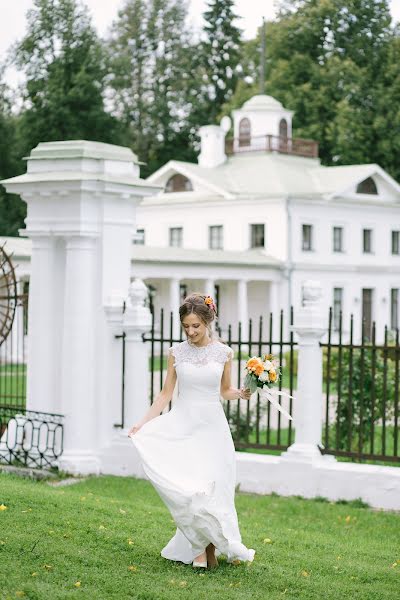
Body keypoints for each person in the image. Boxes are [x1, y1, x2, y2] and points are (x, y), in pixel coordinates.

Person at [128, 292, 255, 569]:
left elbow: (224, 391)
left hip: (213, 430)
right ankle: (199, 550)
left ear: (208, 322)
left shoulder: (224, 353)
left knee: (213, 490)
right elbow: (164, 395)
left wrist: (242, 393)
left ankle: (208, 551)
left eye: (196, 325)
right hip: (184, 426)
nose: (190, 331)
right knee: (190, 489)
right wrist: (143, 423)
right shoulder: (176, 353)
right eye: (186, 326)